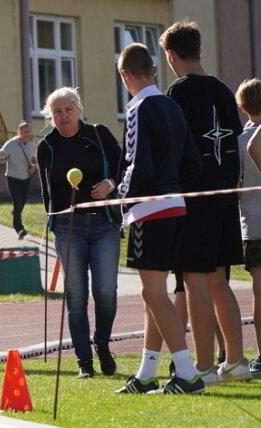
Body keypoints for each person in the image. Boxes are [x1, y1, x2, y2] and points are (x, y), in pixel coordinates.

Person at [160, 19, 251, 383]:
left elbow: (172, 146)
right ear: (198, 49)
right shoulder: (225, 92)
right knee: (219, 281)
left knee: (195, 281)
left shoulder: (177, 93)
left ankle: (203, 367)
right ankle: (236, 361)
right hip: (224, 196)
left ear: (171, 55)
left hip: (194, 198)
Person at [113, 43, 205, 394]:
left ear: (125, 75)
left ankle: (186, 371)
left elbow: (136, 164)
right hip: (176, 205)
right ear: (153, 69)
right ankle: (147, 372)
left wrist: (120, 201)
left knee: (152, 293)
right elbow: (192, 163)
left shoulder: (138, 108)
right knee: (154, 293)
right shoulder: (173, 107)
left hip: (148, 209)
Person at [37, 87, 122, 379]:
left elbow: (122, 167)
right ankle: (83, 361)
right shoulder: (46, 146)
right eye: (57, 112)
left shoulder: (99, 135)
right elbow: (45, 189)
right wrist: (54, 215)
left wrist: (110, 184)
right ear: (50, 116)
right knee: (76, 296)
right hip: (68, 227)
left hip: (105, 223)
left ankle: (102, 344)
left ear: (79, 110)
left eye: (67, 110)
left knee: (105, 292)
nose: (63, 116)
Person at [236, 78, 261, 376]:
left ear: (242, 107)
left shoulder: (238, 142)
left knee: (259, 291)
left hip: (252, 225)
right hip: (251, 224)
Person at [0, 120, 38, 239]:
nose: (27, 134)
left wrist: (34, 168)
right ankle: (19, 228)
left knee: (21, 203)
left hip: (26, 178)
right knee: (18, 202)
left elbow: (35, 159)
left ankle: (16, 211)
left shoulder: (31, 145)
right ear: (19, 132)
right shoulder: (11, 144)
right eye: (24, 131)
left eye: (28, 131)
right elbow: (0, 153)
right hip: (12, 177)